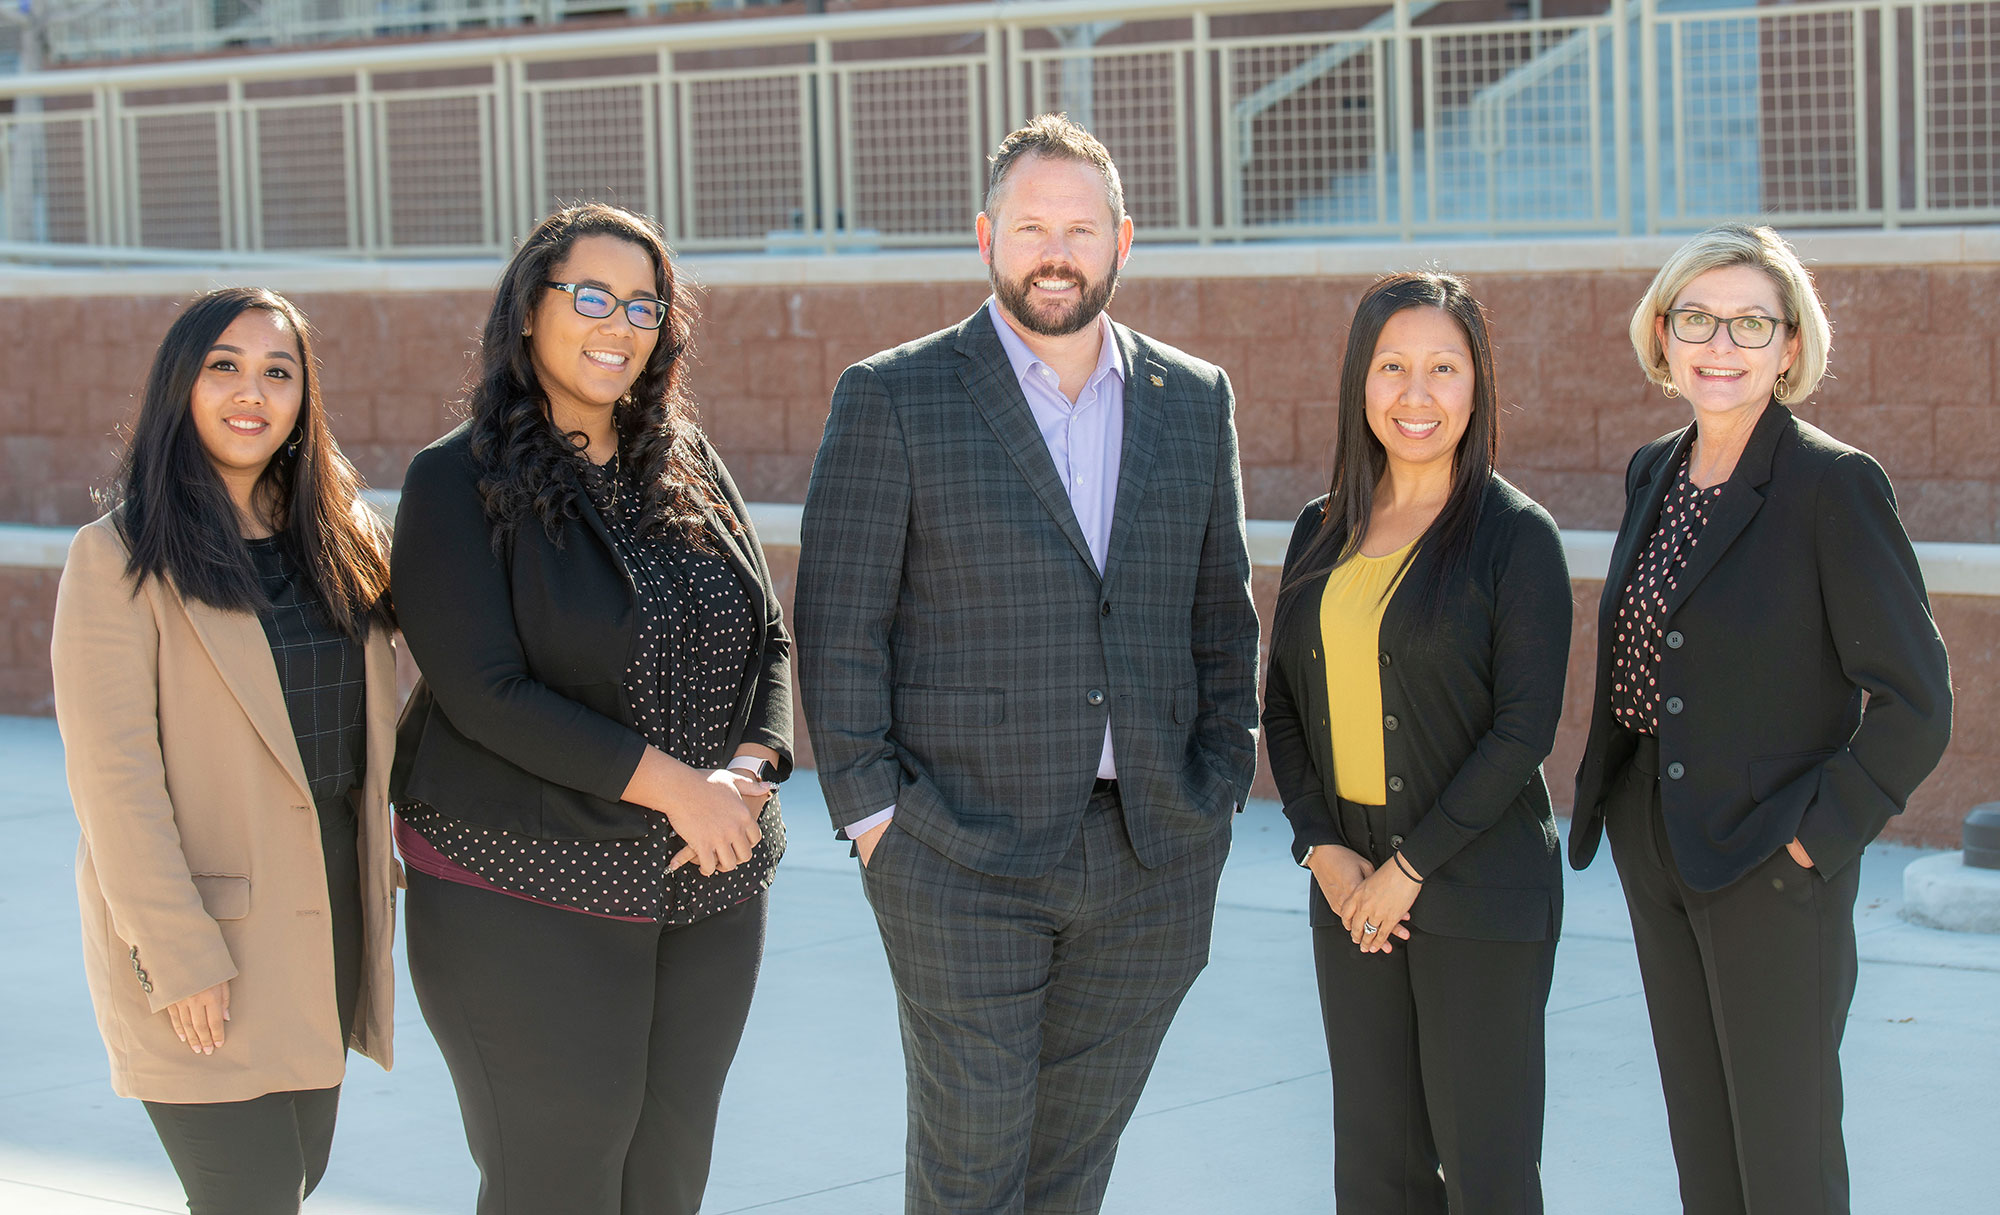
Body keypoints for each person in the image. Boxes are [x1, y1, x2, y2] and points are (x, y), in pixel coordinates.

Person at [794, 113, 1260, 1215]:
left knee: (1068, 1172)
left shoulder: (1192, 400)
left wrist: (1216, 788)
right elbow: (839, 621)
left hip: (1150, 853)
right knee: (969, 1171)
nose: (1056, 250)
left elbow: (1219, 612)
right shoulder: (893, 396)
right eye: (1031, 225)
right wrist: (873, 820)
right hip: (954, 855)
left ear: (1122, 242)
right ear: (985, 236)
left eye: (1081, 228)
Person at [389, 202, 792, 1215]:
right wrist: (679, 792)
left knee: (667, 1175)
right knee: (556, 1181)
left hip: (709, 887)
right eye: (592, 297)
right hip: (522, 885)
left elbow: (769, 640)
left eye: (645, 305)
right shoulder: (453, 481)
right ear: (531, 310)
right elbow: (486, 693)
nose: (619, 325)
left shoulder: (687, 463)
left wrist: (745, 777)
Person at [1569, 223, 1952, 1215]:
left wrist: (1810, 843)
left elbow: (1915, 701)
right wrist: (1616, 812)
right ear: (1662, 333)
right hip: (1650, 835)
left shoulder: (1831, 485)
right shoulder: (1653, 470)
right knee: (1701, 1137)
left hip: (1769, 859)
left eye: (1750, 322)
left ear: (1789, 346)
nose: (1720, 343)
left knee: (1781, 1159)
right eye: (1696, 317)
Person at [50, 286, 400, 1212]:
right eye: (226, 367)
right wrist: (179, 952)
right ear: (182, 386)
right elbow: (113, 782)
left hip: (329, 918)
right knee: (248, 1194)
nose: (254, 392)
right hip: (203, 943)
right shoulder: (117, 558)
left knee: (297, 1176)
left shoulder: (348, 542)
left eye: (279, 372)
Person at [1262, 271, 1570, 1213]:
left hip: (1477, 889)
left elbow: (1524, 730)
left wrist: (1407, 868)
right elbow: (1282, 707)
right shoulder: (1322, 528)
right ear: (1361, 381)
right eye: (1393, 366)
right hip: (1347, 888)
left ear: (1478, 386)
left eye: (1444, 367)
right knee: (1377, 1171)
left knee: (1487, 1173)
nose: (1417, 393)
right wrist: (1325, 851)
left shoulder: (1517, 539)